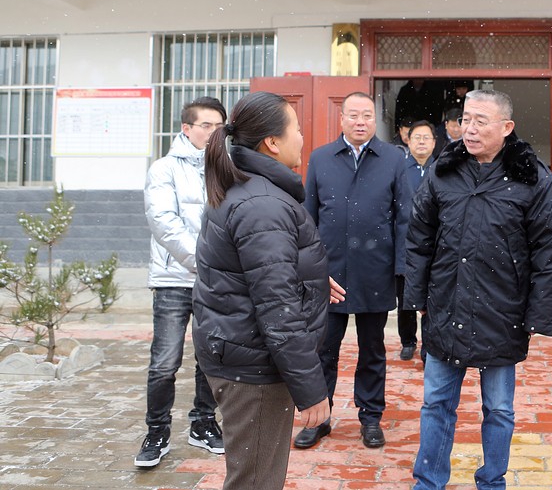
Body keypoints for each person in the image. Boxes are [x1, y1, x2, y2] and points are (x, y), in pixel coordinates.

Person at [405, 89, 552, 490]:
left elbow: (549, 252)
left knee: (498, 409)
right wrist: (418, 297)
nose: (470, 129)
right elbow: (419, 237)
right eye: (466, 119)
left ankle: (492, 481)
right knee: (436, 403)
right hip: (447, 303)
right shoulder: (444, 170)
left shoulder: (533, 178)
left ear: (506, 127)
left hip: (502, 310)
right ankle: (429, 481)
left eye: (481, 121)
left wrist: (537, 315)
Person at [192, 91, 343, 490]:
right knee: (256, 482)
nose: (303, 138)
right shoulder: (263, 203)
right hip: (254, 366)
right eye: (297, 129)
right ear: (272, 142)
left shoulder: (252, 191)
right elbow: (277, 308)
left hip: (241, 352)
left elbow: (251, 272)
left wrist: (307, 277)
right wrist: (311, 389)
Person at [295, 91, 412, 450]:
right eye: (354, 115)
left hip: (376, 270)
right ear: (342, 119)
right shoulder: (321, 158)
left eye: (367, 115)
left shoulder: (393, 158)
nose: (361, 122)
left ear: (375, 120)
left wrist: (401, 270)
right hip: (328, 273)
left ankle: (371, 418)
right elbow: (308, 218)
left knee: (372, 349)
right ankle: (319, 418)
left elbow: (404, 218)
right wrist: (308, 268)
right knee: (322, 350)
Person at [136, 96, 227, 468]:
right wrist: (204, 261)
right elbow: (163, 222)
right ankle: (156, 432)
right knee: (164, 362)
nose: (213, 132)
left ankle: (203, 423)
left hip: (214, 281)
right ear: (186, 129)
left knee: (210, 359)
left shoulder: (226, 167)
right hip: (174, 279)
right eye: (206, 125)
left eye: (219, 126)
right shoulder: (164, 169)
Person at [397, 120, 437, 361]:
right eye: (417, 138)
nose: (421, 142)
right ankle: (407, 341)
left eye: (426, 138)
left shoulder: (441, 170)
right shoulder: (399, 170)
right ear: (408, 141)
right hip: (404, 244)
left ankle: (428, 346)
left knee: (431, 299)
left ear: (434, 143)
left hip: (433, 246)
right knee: (405, 297)